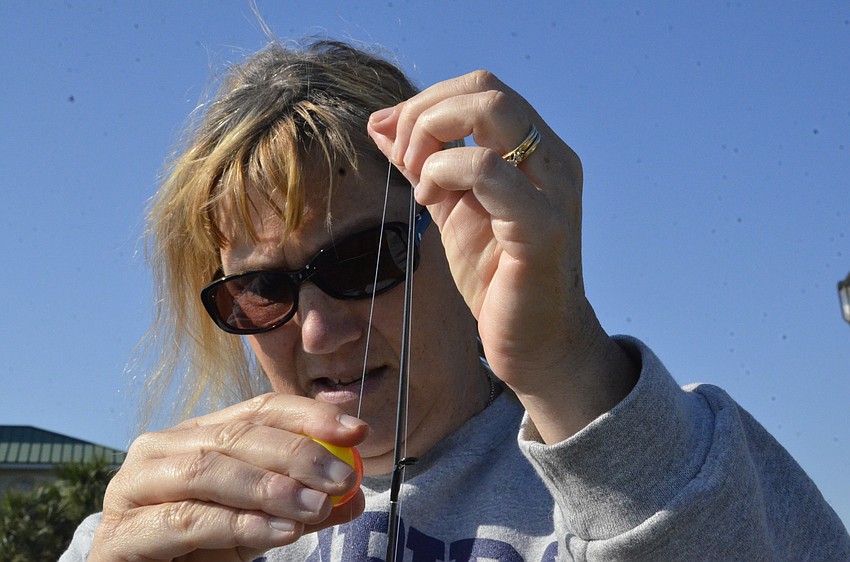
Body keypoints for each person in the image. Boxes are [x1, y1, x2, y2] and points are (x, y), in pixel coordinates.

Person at [62, 39, 849, 561]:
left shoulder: (678, 468)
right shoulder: (161, 522)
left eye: (366, 260)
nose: (320, 327)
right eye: (262, 289)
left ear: (461, 233)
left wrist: (568, 362)